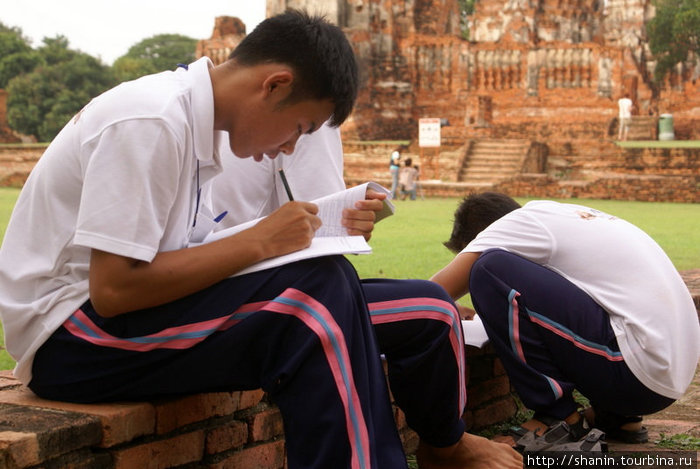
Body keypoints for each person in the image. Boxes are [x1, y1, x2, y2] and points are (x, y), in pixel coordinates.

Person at [0, 10, 520, 469]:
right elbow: (114, 292)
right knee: (310, 301)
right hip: (73, 339)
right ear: (273, 85)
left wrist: (281, 241)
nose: (289, 146)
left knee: (417, 305)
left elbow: (183, 263)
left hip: (133, 319)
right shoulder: (152, 119)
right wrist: (262, 242)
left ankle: (442, 449)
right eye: (298, 127)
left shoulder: (198, 127)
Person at [431, 192, 699, 445]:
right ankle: (618, 417)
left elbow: (432, 293)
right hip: (665, 379)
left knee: (488, 271)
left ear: (483, 235)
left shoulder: (513, 225)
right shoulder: (560, 216)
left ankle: (557, 415)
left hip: (634, 374)